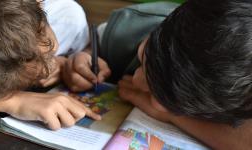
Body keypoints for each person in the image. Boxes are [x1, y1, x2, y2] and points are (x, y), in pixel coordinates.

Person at [65, 0, 252, 149]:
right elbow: (93, 42)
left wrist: (172, 117)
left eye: (157, 97)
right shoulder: (132, 26)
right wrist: (83, 56)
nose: (136, 80)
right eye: (142, 57)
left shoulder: (241, 90)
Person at [0, 0, 107, 130]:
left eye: (50, 55)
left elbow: (86, 45)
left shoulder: (68, 19)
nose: (46, 72)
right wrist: (13, 101)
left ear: (39, 3)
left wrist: (77, 57)